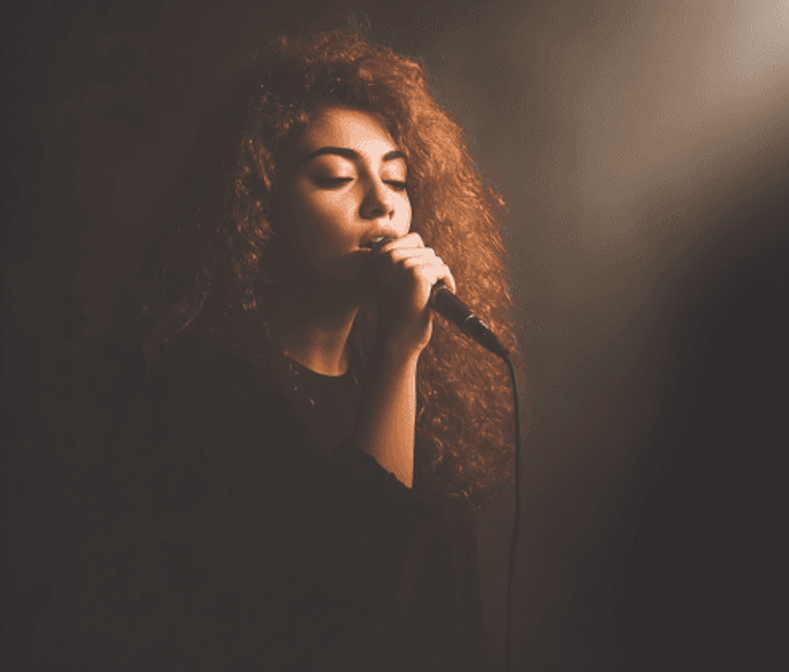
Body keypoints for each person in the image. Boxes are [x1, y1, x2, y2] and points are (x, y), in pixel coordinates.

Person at [14, 29, 516, 671]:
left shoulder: (430, 398)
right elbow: (345, 588)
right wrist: (398, 351)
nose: (381, 201)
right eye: (336, 176)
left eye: (397, 177)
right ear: (260, 204)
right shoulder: (199, 386)